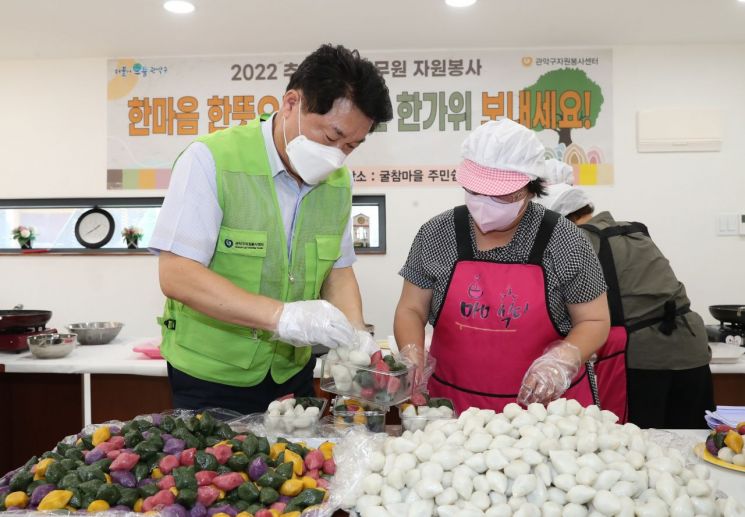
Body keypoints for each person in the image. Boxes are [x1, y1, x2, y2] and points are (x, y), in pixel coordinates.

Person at [149, 44, 393, 414]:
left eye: (352, 146)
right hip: (212, 377)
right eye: (331, 137)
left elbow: (338, 271)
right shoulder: (212, 159)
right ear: (292, 104)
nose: (338, 156)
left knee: (300, 468)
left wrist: (357, 337)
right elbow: (177, 275)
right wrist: (283, 316)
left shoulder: (338, 182)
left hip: (290, 374)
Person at [393, 119, 610, 414]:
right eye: (475, 191)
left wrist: (560, 362)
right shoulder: (437, 234)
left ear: (531, 188)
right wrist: (411, 354)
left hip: (546, 412)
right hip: (451, 410)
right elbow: (411, 309)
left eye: (501, 194)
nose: (485, 203)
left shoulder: (565, 240)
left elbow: (594, 321)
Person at [537, 183, 715, 428]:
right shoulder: (632, 231)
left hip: (646, 356)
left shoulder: (581, 240)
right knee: (692, 439)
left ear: (562, 219)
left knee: (644, 444)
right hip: (692, 348)